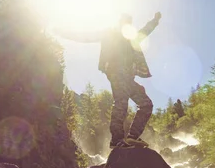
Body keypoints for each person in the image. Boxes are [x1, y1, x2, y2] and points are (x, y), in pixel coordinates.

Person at [53, 12, 161, 149]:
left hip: (128, 77)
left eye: (129, 24)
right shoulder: (109, 34)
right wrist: (63, 32)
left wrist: (155, 21)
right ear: (120, 23)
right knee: (121, 102)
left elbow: (145, 31)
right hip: (116, 72)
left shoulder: (132, 38)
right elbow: (86, 37)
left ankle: (133, 137)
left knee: (146, 104)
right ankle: (117, 139)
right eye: (125, 23)